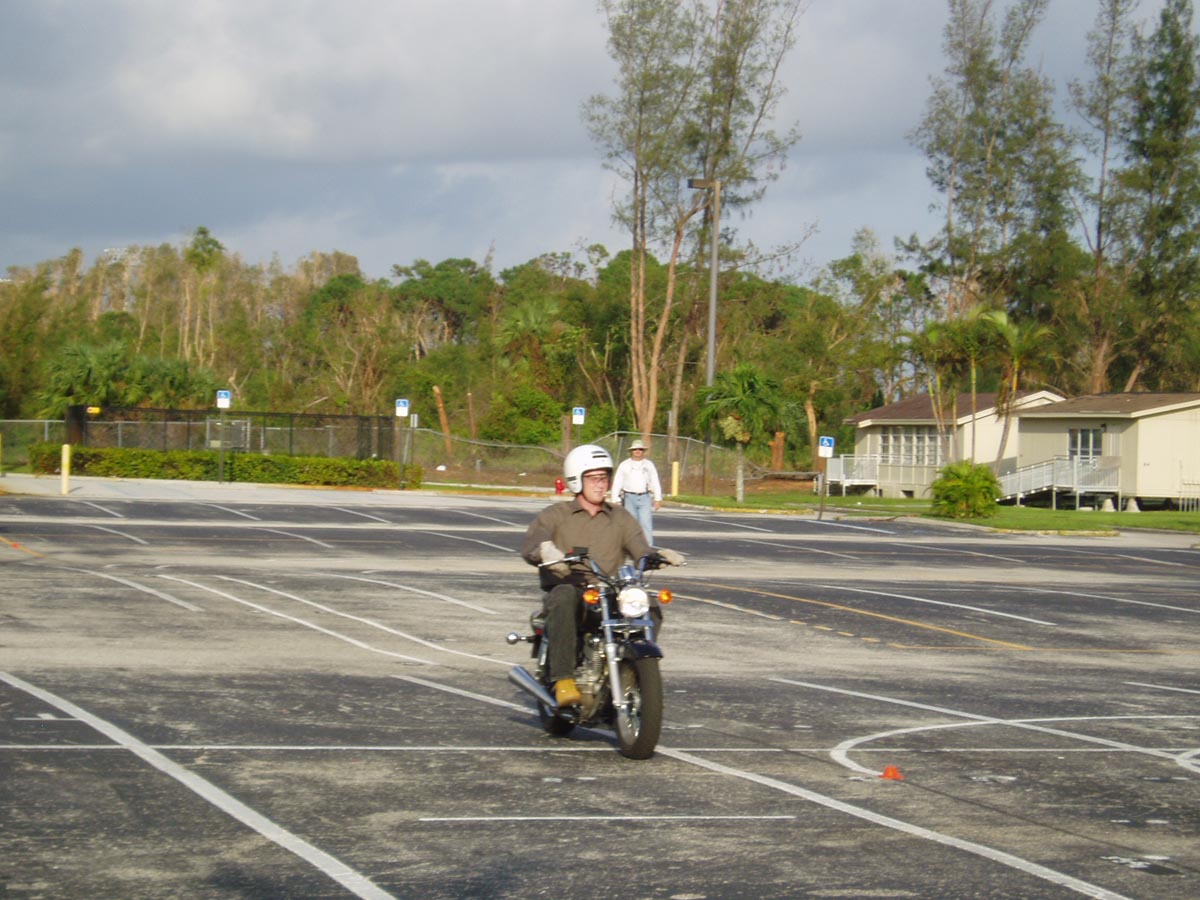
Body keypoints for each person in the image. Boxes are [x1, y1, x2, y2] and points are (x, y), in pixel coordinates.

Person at [521, 444, 684, 707]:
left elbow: (639, 548)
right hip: (573, 588)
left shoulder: (620, 517)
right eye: (594, 478)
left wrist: (656, 556)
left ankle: (632, 668)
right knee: (563, 596)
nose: (601, 484)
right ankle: (563, 679)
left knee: (649, 605)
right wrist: (546, 551)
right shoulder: (556, 515)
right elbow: (533, 543)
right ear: (576, 479)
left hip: (610, 590)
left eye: (604, 477)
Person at [610, 438, 664, 542]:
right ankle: (632, 547)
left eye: (640, 449)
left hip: (644, 497)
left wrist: (657, 498)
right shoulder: (624, 465)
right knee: (631, 524)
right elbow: (617, 482)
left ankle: (647, 548)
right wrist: (615, 499)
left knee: (646, 523)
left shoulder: (649, 465)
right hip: (629, 497)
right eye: (635, 449)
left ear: (643, 451)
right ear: (631, 451)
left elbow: (655, 481)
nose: (637, 451)